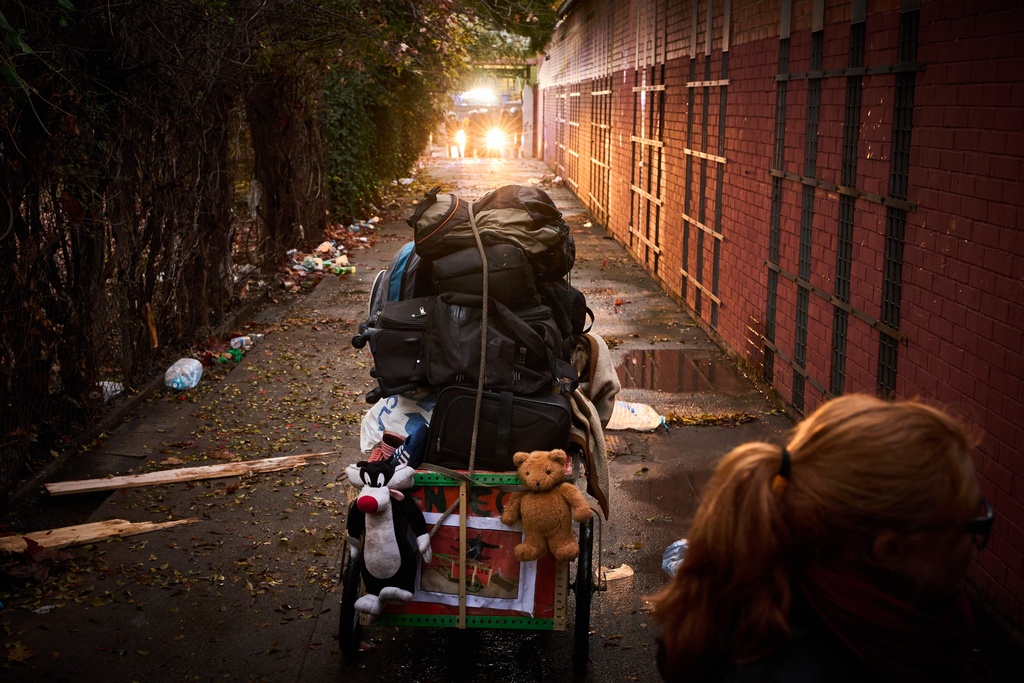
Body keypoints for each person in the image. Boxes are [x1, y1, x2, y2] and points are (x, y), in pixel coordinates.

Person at [650, 393, 994, 682]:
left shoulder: (770, 601)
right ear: (890, 550)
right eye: (971, 525)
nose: (972, 548)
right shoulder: (811, 663)